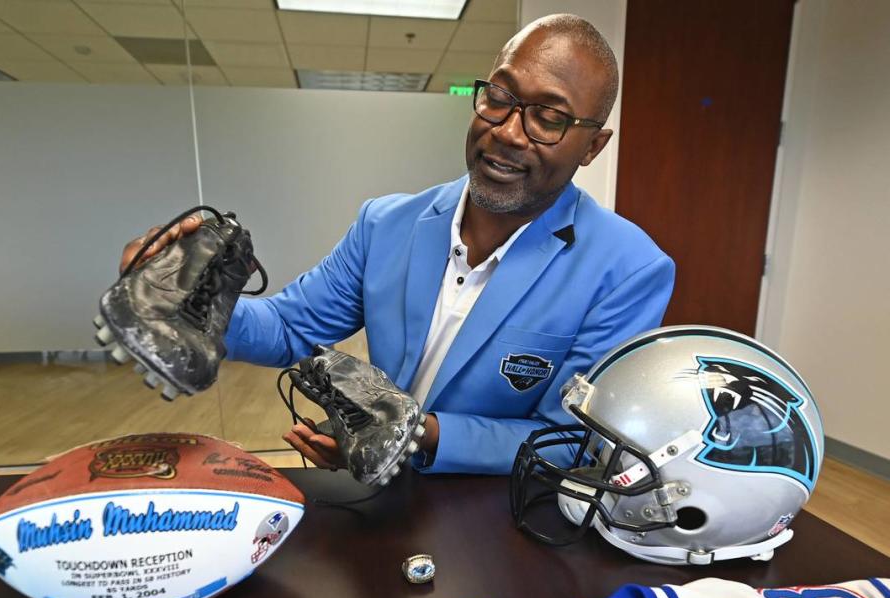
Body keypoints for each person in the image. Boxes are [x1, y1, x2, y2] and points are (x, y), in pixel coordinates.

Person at [120, 14, 675, 476]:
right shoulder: (385, 224)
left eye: (548, 118)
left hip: (507, 523)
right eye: (500, 97)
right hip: (382, 508)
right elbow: (291, 326)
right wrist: (197, 305)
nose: (507, 131)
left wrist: (412, 436)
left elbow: (572, 442)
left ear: (592, 147)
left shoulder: (629, 269)